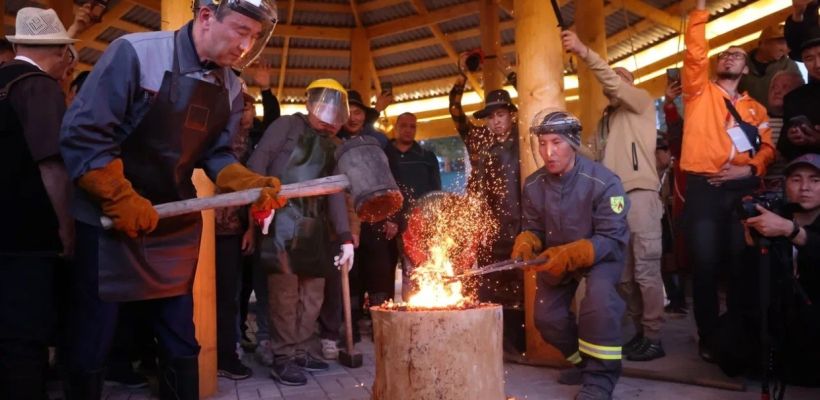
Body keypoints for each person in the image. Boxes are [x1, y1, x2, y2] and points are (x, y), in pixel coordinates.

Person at [59, 1, 282, 398]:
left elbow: (217, 154)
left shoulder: (230, 85)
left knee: (180, 336)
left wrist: (243, 180)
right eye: (240, 30)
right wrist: (118, 197)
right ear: (207, 16)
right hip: (109, 217)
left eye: (254, 37)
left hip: (172, 219)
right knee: (94, 335)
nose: (246, 46)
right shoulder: (136, 54)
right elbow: (84, 134)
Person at [562, 30, 665, 362]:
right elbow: (591, 154)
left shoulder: (641, 101)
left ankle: (653, 336)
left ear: (629, 85)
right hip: (614, 202)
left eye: (620, 80)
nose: (612, 84)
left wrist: (583, 49)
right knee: (623, 273)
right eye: (612, 80)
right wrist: (564, 136)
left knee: (646, 270)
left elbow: (613, 81)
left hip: (642, 196)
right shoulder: (605, 121)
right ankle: (639, 332)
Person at [512, 109, 629, 400]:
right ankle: (585, 364)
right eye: (542, 143)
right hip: (557, 257)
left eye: (556, 142)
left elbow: (613, 238)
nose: (548, 152)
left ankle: (600, 382)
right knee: (546, 318)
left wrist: (575, 252)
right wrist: (527, 240)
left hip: (601, 255)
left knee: (598, 306)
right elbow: (534, 227)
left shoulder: (605, 182)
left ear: (573, 143)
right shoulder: (534, 184)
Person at [681, 0, 775, 363]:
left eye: (737, 54)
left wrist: (749, 170)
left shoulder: (757, 109)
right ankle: (707, 336)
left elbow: (767, 149)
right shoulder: (698, 92)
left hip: (741, 189)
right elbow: (694, 55)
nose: (730, 57)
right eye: (724, 54)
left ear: (746, 67)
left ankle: (736, 332)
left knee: (739, 264)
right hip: (703, 189)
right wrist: (700, 13)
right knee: (704, 266)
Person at [247, 78, 354, 386]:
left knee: (312, 295)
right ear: (309, 103)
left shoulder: (335, 145)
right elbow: (256, 167)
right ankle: (282, 356)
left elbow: (335, 192)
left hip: (315, 226)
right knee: (285, 293)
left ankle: (301, 349)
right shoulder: (285, 127)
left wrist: (345, 236)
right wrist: (260, 207)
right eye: (325, 106)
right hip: (281, 221)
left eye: (336, 109)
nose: (329, 115)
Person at [0, 8, 77, 398]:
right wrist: (64, 230)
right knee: (26, 339)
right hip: (28, 235)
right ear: (62, 53)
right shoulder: (41, 87)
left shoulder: (2, 81)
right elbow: (52, 167)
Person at [449, 64, 523, 346]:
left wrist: (513, 76)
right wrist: (462, 78)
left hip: (517, 220)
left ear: (511, 115)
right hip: (484, 223)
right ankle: (492, 341)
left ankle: (518, 340)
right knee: (489, 279)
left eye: (501, 114)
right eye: (491, 116)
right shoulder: (477, 139)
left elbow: (534, 104)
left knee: (518, 281)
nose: (495, 121)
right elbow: (455, 112)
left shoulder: (523, 138)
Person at [744, 153, 820, 386]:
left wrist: (791, 231)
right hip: (785, 314)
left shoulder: (783, 223)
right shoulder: (775, 215)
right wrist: (750, 241)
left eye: (815, 180)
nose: (804, 187)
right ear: (785, 185)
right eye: (796, 179)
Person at [213, 81, 258, 380]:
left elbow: (253, 190)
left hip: (233, 228)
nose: (246, 112)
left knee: (232, 294)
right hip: (204, 227)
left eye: (249, 106)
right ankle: (216, 354)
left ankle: (227, 352)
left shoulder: (250, 143)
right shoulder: (214, 138)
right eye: (242, 105)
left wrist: (251, 228)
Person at [385, 112, 442, 297]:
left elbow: (436, 193)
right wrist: (389, 218)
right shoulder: (385, 155)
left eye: (412, 126)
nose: (408, 130)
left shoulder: (427, 157)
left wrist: (434, 222)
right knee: (384, 271)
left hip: (419, 223)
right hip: (387, 222)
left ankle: (416, 310)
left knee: (417, 271)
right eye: (403, 126)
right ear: (395, 127)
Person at [739, 24, 802, 115]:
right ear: (762, 43)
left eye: (787, 44)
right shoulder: (740, 63)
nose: (784, 49)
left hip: (778, 121)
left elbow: (798, 96)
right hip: (746, 120)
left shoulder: (789, 66)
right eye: (780, 43)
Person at [777, 29, 820, 161]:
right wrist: (792, 139)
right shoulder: (794, 98)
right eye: (809, 58)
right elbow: (783, 147)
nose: (818, 64)